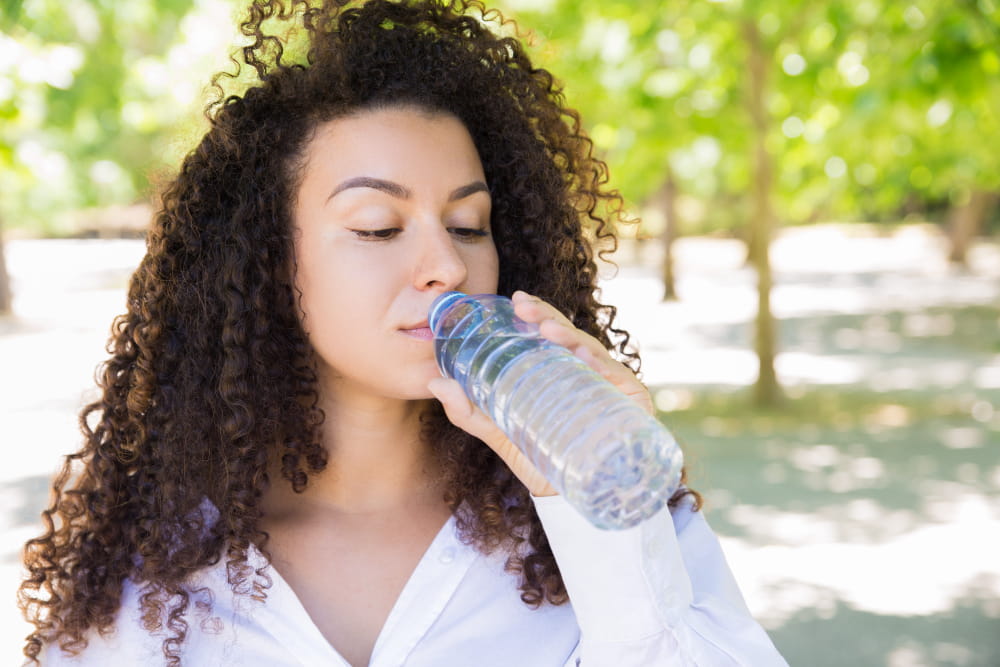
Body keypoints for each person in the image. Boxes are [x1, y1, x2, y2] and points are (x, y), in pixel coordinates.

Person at [19, 1, 787, 665]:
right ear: (264, 260)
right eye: (379, 227)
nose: (445, 264)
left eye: (468, 223)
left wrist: (591, 505)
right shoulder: (150, 561)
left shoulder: (599, 518)